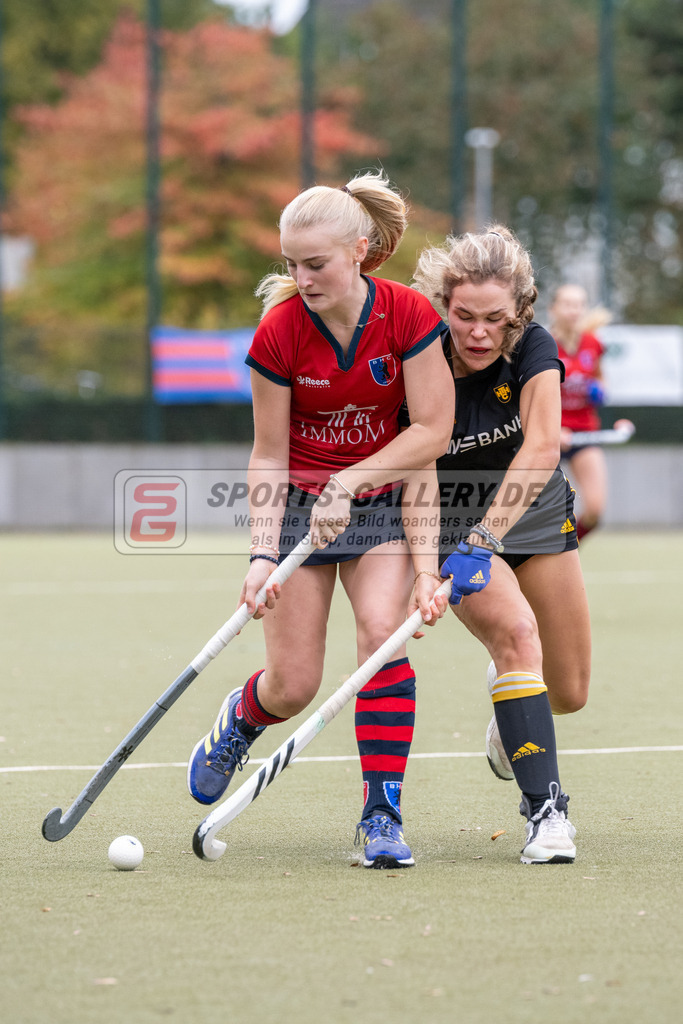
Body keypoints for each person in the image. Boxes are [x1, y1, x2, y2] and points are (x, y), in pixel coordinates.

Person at [187, 170, 458, 869]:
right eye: (291, 265)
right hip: (298, 512)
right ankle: (244, 715)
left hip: (381, 504)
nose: (301, 278)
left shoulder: (407, 317)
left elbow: (431, 430)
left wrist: (354, 482)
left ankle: (381, 813)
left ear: (361, 252)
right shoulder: (279, 332)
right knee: (295, 684)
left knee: (380, 638)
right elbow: (267, 454)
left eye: (316, 264)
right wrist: (258, 555)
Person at [409, 225, 592, 864]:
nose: (479, 332)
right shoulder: (422, 351)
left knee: (568, 691)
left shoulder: (534, 348)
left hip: (532, 512)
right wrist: (428, 557)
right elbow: (414, 467)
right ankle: (547, 816)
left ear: (518, 315)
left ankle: (509, 707)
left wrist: (489, 537)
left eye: (495, 319)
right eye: (464, 316)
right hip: (454, 517)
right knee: (518, 633)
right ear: (443, 305)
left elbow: (543, 447)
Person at [549, 283, 611, 541]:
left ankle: (567, 552)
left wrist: (599, 390)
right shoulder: (545, 345)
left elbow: (600, 378)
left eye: (579, 305)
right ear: (554, 309)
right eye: (567, 304)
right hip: (551, 435)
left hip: (584, 432)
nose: (574, 311)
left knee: (595, 509)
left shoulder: (593, 343)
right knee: (538, 512)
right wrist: (554, 428)